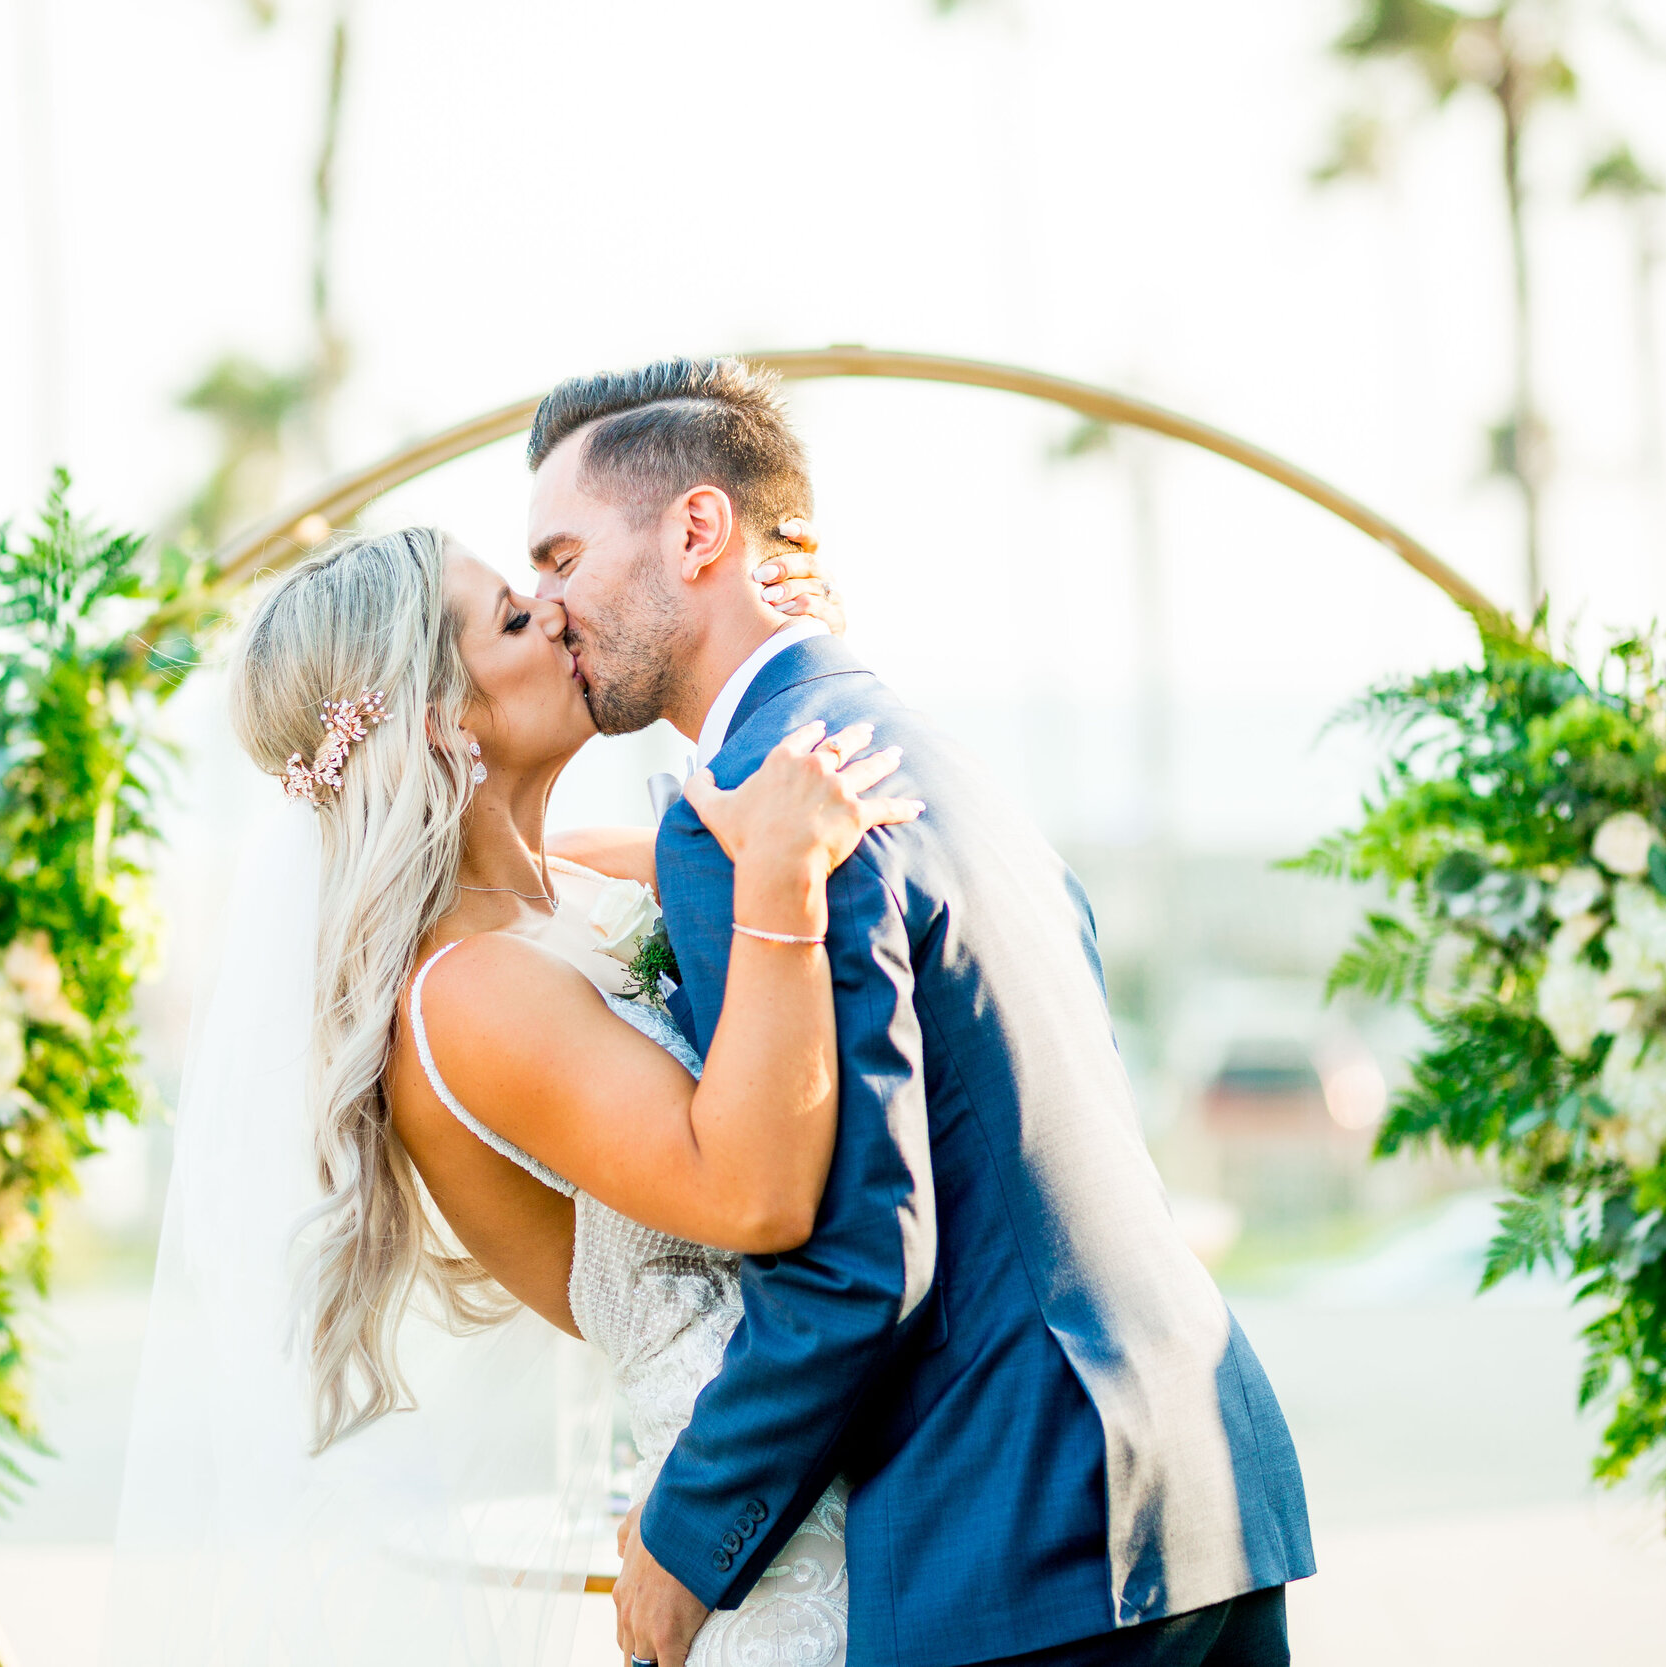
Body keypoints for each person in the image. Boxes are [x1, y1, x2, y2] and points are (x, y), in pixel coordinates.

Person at [524, 357, 1315, 1667]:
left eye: (562, 556)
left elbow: (857, 1255)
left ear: (699, 530)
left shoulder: (752, 812)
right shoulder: (926, 753)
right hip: (1207, 1475)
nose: (549, 608)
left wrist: (684, 1539)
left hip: (1022, 1533)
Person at [107, 519, 902, 1667]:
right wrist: (776, 874)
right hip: (776, 1528)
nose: (560, 616)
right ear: (445, 720)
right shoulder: (465, 996)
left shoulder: (587, 872)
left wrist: (780, 646)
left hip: (866, 1436)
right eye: (518, 619)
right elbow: (753, 1193)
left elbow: (798, 833)